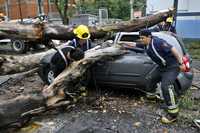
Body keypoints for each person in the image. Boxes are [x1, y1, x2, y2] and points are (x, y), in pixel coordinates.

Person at [138, 29, 185, 124]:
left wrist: (181, 63)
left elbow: (173, 49)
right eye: (140, 38)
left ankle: (173, 114)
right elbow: (133, 45)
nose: (141, 40)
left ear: (149, 37)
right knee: (150, 79)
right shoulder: (146, 44)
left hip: (172, 66)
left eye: (142, 38)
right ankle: (152, 97)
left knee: (166, 86)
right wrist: (123, 45)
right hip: (162, 67)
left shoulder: (158, 42)